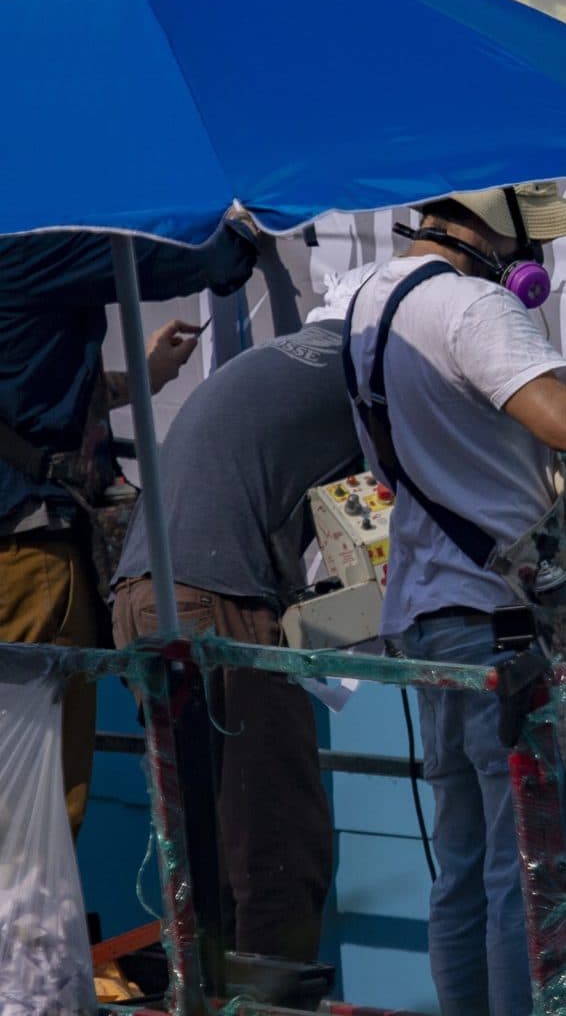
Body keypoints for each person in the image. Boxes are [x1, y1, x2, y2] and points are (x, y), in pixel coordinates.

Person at [343, 182, 566, 1016]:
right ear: (490, 230)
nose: (533, 263)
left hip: (433, 615)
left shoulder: (367, 299)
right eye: (527, 243)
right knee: (526, 866)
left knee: (463, 862)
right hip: (502, 623)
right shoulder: (473, 308)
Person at [108, 263, 377, 962]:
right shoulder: (374, 374)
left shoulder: (278, 363)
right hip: (215, 601)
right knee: (276, 837)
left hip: (145, 596)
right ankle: (269, 1001)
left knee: (203, 828)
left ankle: (210, 990)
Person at [0, 223, 256, 834]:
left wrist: (147, 376)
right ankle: (27, 928)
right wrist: (243, 234)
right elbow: (170, 260)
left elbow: (24, 392)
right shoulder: (29, 238)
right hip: (25, 554)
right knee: (36, 798)